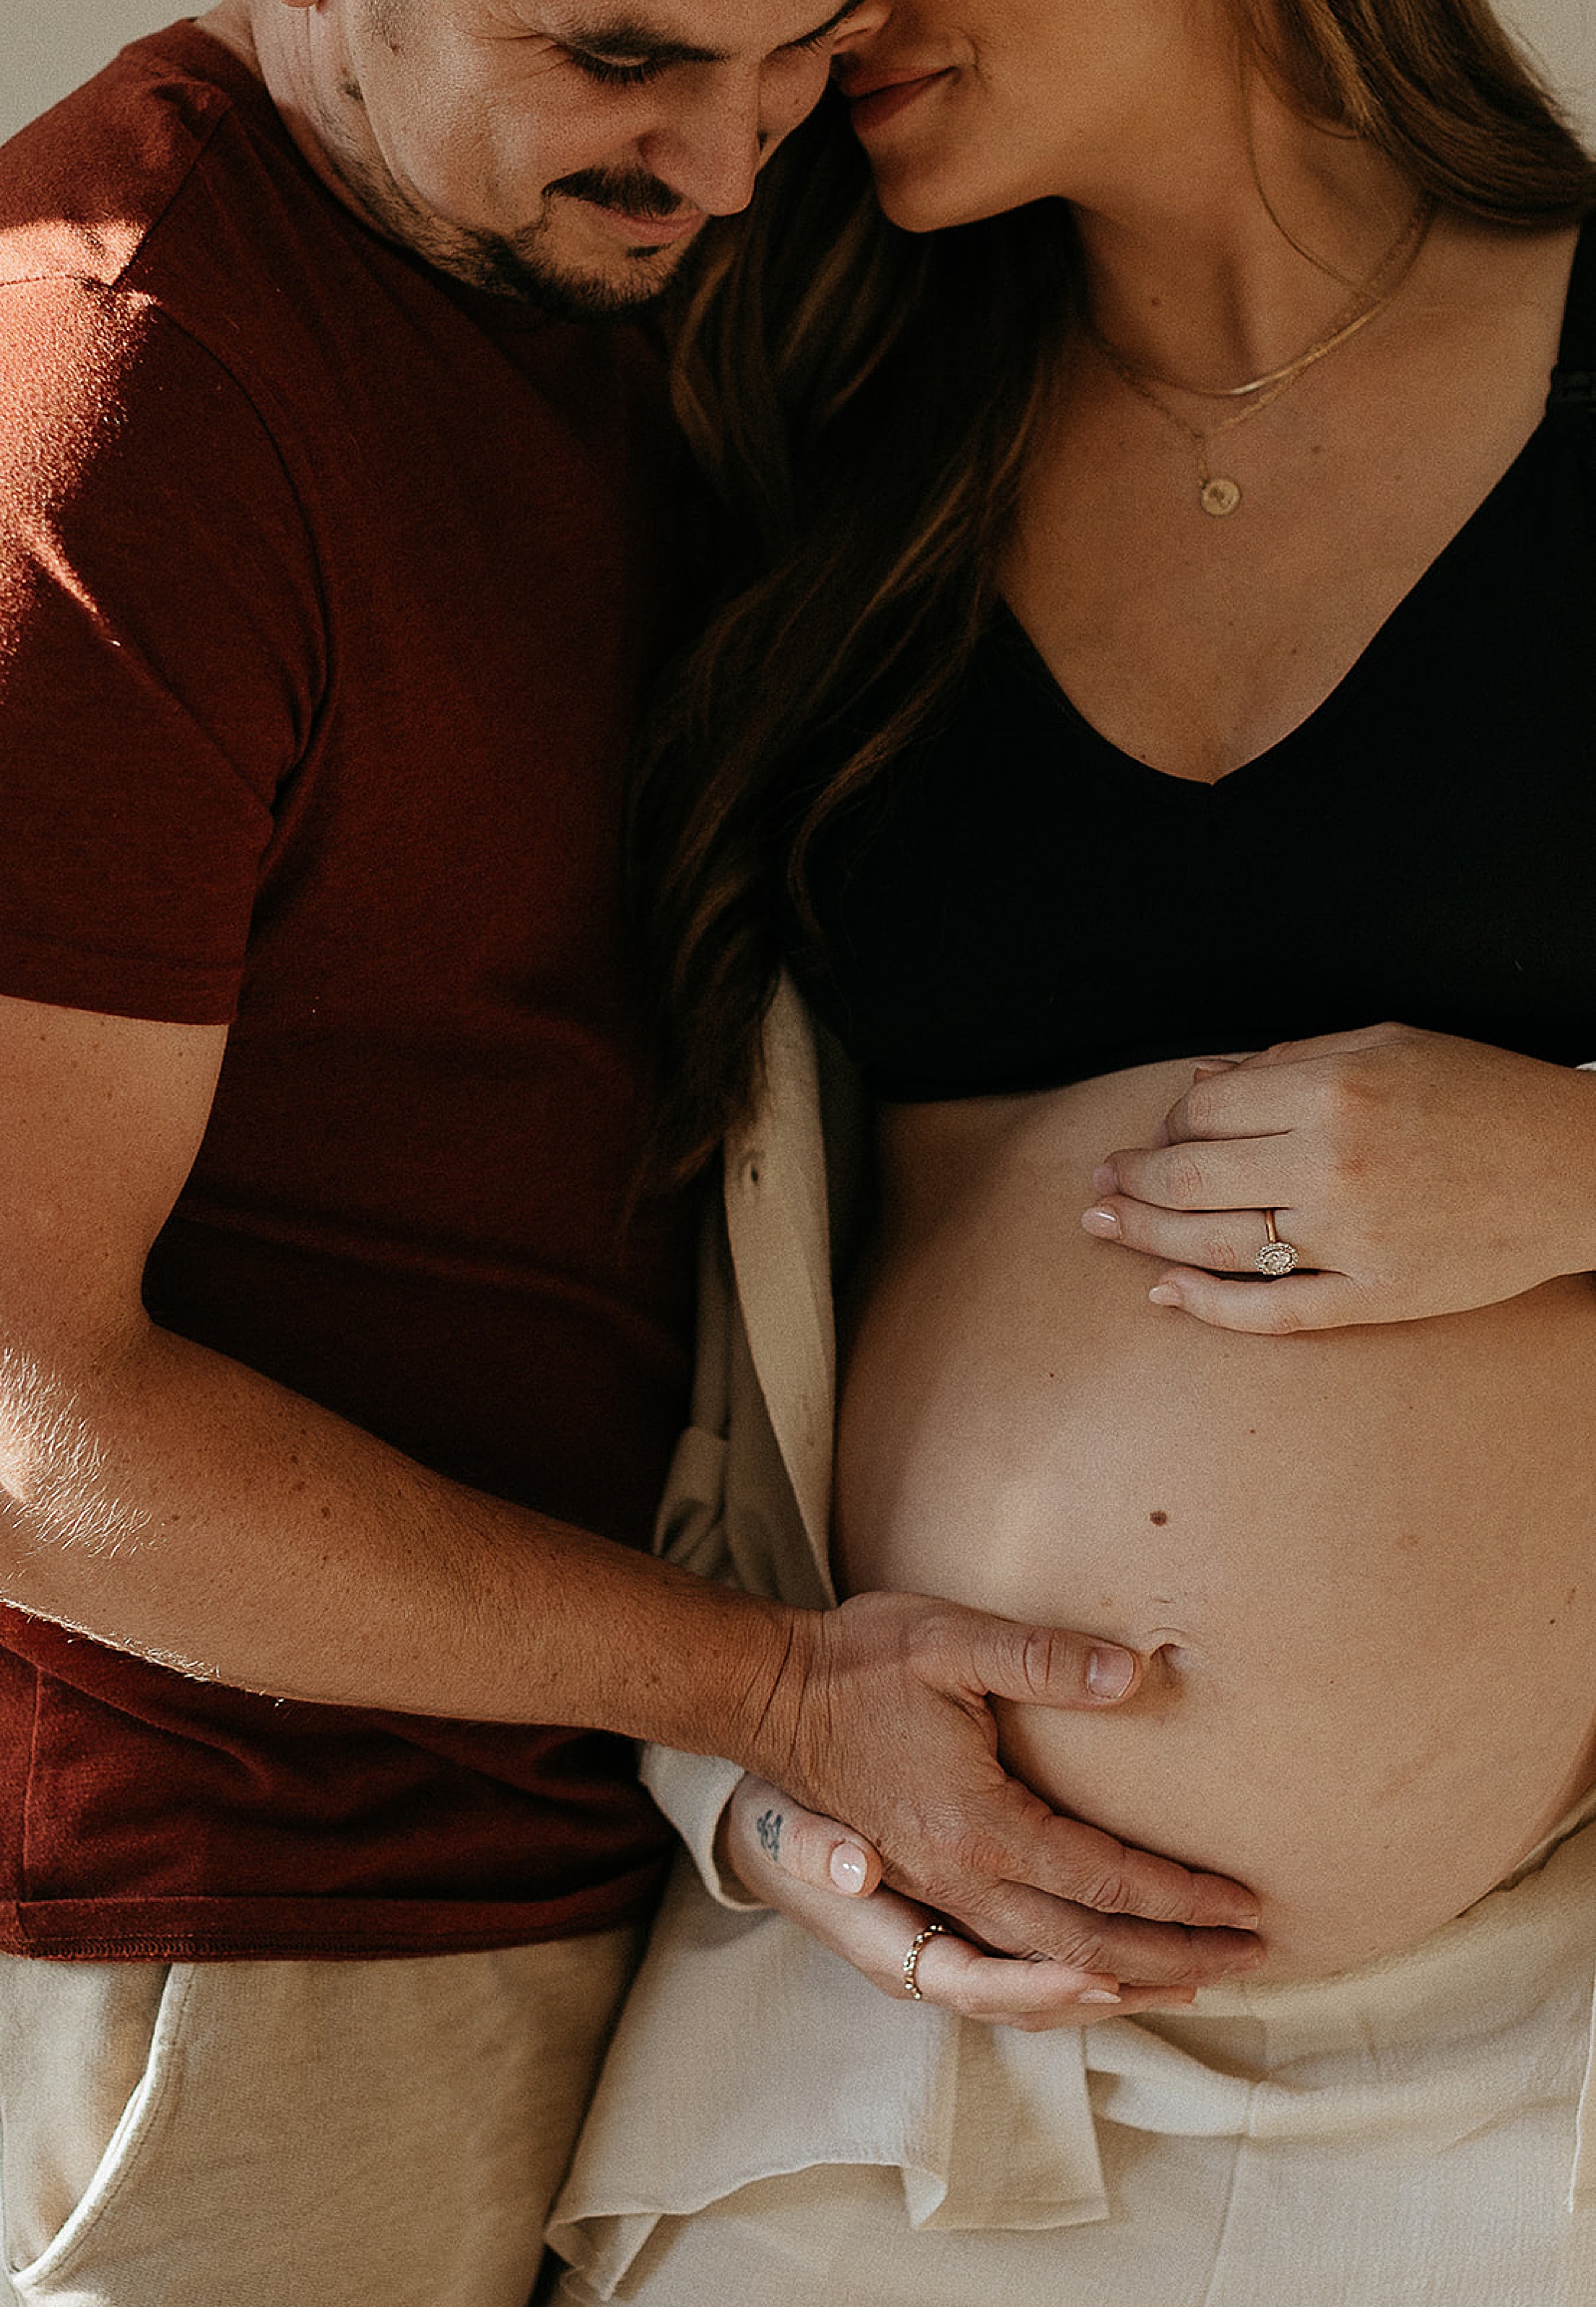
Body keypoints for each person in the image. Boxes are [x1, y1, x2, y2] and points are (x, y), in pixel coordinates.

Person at [0, 3, 1269, 2302]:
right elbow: (21, 1415)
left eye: (794, 51)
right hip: (231, 1921)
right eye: (618, 59)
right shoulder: (109, 392)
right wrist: (764, 1689)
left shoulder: (620, 275)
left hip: (614, 1841)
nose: (727, 160)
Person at [547, 0, 1596, 2298]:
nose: (824, 15)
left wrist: (1576, 1169)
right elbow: (578, 1267)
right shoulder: (810, 434)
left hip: (1525, 2069)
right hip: (905, 2034)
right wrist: (748, 1785)